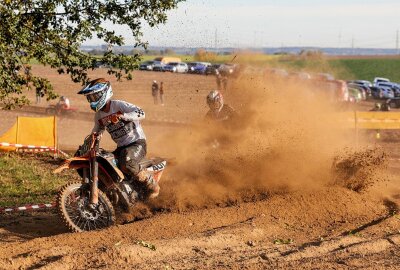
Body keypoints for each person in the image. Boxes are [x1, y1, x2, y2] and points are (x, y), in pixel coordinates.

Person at [78, 78, 160, 199]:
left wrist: (123, 116)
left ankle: (151, 183)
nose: (92, 101)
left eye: (94, 97)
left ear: (103, 93)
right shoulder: (99, 115)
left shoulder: (118, 105)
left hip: (137, 143)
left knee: (126, 163)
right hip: (121, 148)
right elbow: (97, 130)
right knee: (106, 164)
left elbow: (141, 113)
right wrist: (90, 140)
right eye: (90, 98)